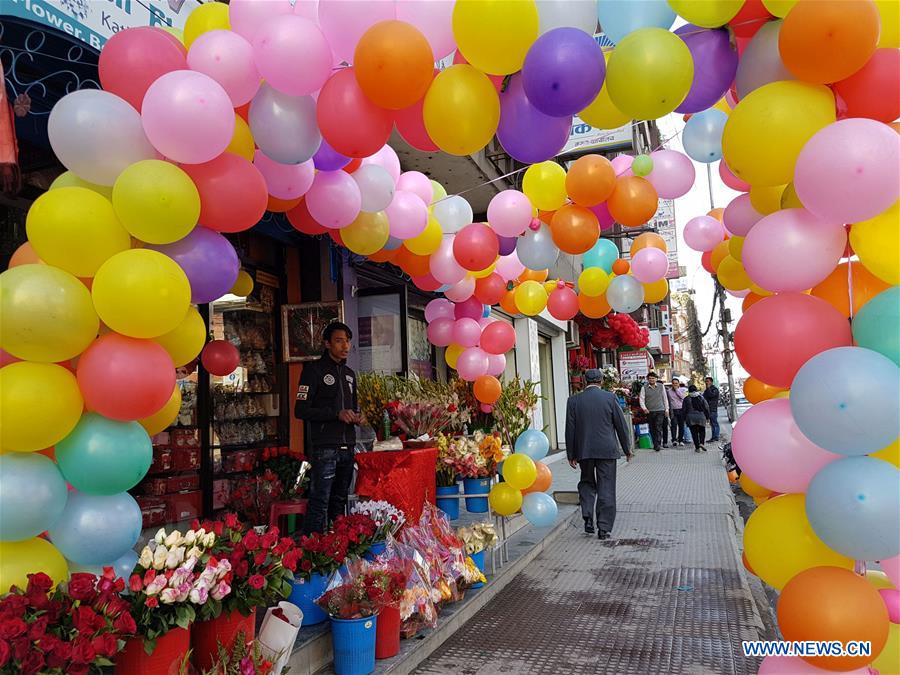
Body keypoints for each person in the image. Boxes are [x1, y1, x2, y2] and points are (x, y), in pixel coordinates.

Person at [294, 322, 361, 535]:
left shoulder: (350, 374)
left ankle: (337, 545)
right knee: (319, 500)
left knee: (340, 501)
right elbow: (301, 410)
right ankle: (311, 549)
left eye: (348, 341)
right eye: (339, 341)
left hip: (348, 446)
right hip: (325, 447)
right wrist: (335, 414)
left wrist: (358, 416)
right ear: (327, 343)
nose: (345, 346)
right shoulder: (313, 371)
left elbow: (353, 407)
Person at [566, 369, 633, 540]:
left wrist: (571, 454)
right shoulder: (610, 398)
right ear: (601, 381)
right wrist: (627, 449)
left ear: (584, 381)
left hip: (584, 450)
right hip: (607, 450)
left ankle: (588, 517)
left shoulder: (573, 400)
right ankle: (604, 528)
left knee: (587, 482)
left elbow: (570, 429)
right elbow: (621, 425)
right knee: (606, 486)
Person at [639, 371, 669, 452]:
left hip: (660, 410)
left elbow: (664, 398)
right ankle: (655, 443)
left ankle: (658, 444)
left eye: (653, 378)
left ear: (656, 379)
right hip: (650, 411)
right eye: (650, 378)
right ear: (647, 379)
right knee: (652, 428)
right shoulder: (644, 388)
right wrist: (644, 408)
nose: (651, 380)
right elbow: (641, 399)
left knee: (658, 427)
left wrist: (666, 409)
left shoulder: (661, 386)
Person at [684, 384, 711, 452]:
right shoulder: (701, 397)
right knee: (702, 431)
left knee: (694, 433)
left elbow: (684, 409)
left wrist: (684, 419)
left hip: (690, 417)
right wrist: (707, 417)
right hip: (701, 417)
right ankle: (701, 443)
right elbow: (706, 407)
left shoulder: (687, 398)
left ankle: (697, 448)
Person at [666, 378, 688, 447]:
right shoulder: (668, 391)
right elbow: (667, 401)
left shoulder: (682, 390)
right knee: (674, 425)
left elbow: (683, 398)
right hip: (673, 410)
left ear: (678, 384)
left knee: (681, 425)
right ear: (671, 384)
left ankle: (681, 440)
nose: (675, 384)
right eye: (673, 383)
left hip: (681, 409)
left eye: (676, 383)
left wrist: (677, 390)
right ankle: (674, 440)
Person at [703, 377, 721, 441]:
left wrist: (708, 388)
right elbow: (703, 397)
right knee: (712, 423)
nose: (706, 382)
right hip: (707, 409)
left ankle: (716, 436)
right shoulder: (707, 390)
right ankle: (713, 437)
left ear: (711, 382)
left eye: (707, 381)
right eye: (706, 381)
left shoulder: (714, 389)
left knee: (714, 423)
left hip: (713, 409)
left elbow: (711, 395)